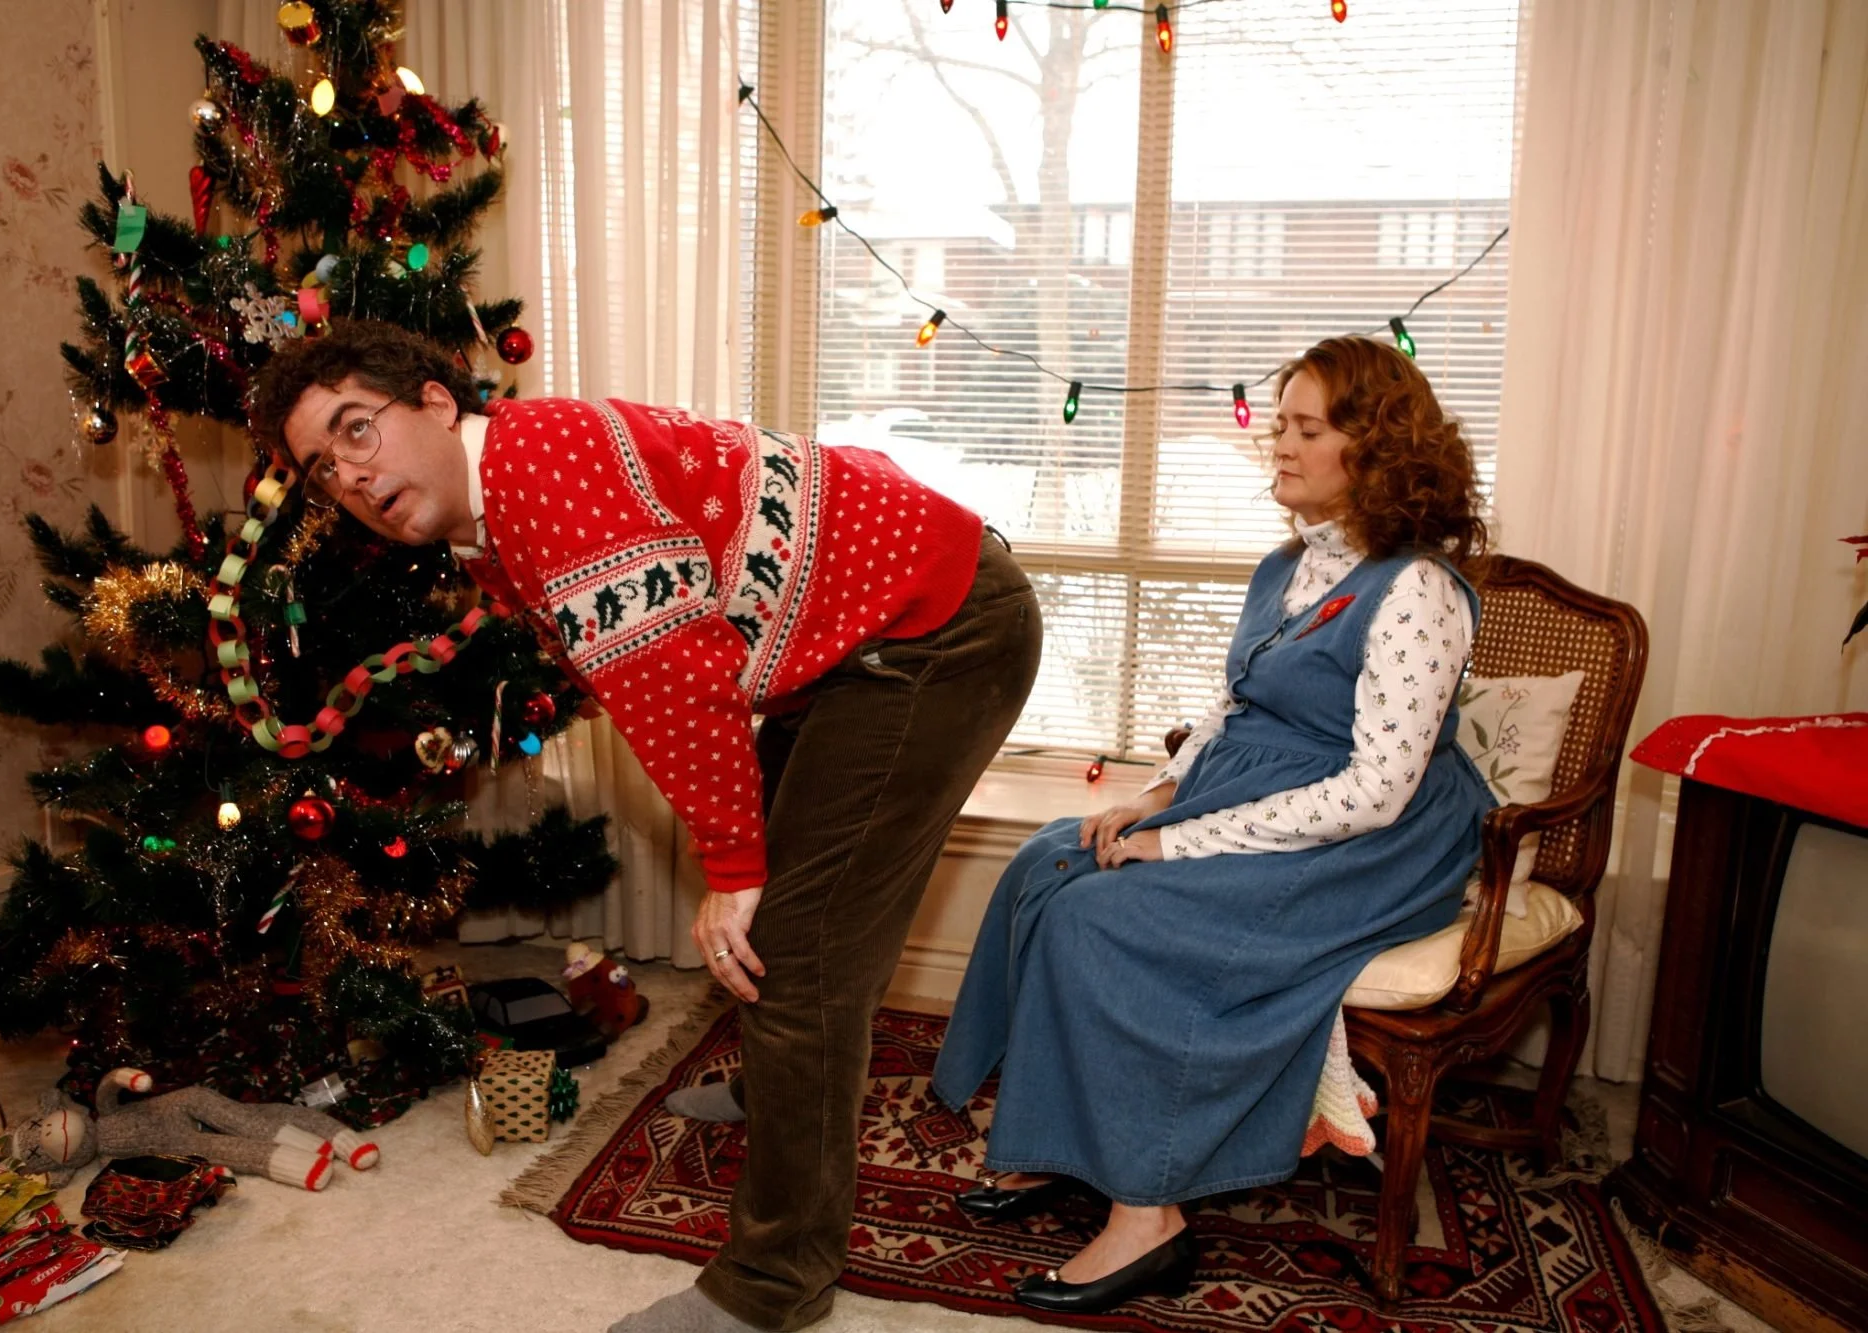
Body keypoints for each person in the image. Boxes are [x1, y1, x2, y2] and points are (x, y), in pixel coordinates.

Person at [246, 321, 1043, 1333]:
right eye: (321, 467)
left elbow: (674, 674)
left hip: (940, 632)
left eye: (356, 429)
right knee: (785, 929)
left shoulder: (538, 471)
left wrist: (732, 862)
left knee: (795, 955)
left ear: (437, 404)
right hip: (859, 637)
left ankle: (772, 1284)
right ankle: (779, 1094)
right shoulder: (491, 515)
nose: (349, 474)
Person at [930, 334, 1495, 1316]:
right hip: (1259, 792)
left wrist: (1174, 842)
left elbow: (1372, 791)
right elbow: (1232, 706)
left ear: (1372, 447)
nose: (1276, 445)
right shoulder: (1287, 563)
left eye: (1304, 428)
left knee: (1097, 917)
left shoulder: (1416, 591)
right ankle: (1053, 1141)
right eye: (1277, 424)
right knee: (1041, 862)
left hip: (1371, 840)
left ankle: (1147, 1214)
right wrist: (1154, 793)